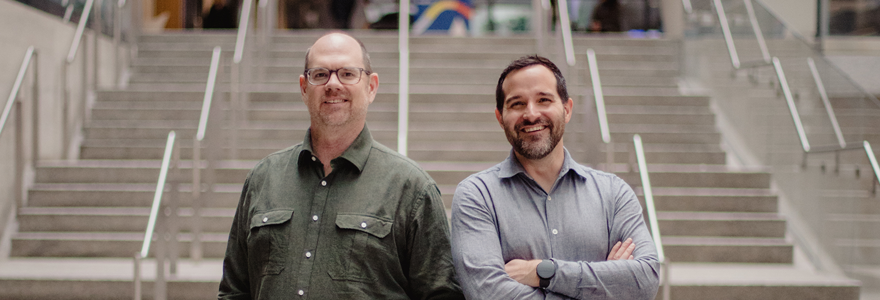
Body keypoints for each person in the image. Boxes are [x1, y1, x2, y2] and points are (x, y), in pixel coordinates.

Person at [218, 32, 464, 300]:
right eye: (320, 74)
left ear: (371, 87)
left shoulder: (412, 188)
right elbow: (234, 291)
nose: (333, 84)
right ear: (303, 87)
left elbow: (441, 293)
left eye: (347, 74)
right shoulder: (262, 178)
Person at [450, 55, 660, 299]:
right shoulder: (477, 196)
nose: (531, 114)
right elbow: (488, 294)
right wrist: (605, 286)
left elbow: (645, 280)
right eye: (517, 104)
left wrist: (542, 272)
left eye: (543, 100)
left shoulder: (613, 193)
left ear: (567, 109)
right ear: (500, 117)